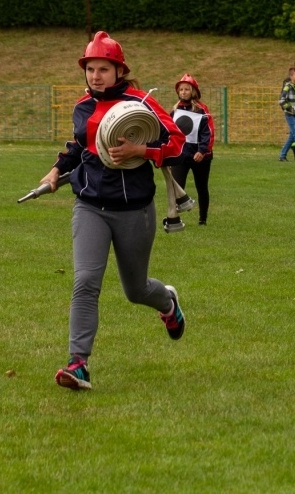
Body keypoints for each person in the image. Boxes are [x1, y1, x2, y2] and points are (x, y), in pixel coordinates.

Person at [38, 31, 188, 390]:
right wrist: (57, 170)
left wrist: (141, 151)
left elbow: (177, 144)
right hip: (89, 206)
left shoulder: (142, 103)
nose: (95, 75)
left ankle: (167, 303)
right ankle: (78, 365)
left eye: (103, 68)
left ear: (119, 71)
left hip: (135, 211)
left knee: (135, 290)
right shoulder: (82, 107)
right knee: (85, 282)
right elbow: (77, 147)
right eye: (90, 68)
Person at [171, 74, 214, 225]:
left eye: (186, 89)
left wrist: (202, 151)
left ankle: (203, 219)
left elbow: (208, 132)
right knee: (176, 187)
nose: (183, 92)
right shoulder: (175, 110)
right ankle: (174, 217)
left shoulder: (202, 110)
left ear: (193, 91)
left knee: (201, 187)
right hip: (181, 156)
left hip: (200, 157)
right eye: (181, 89)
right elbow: (170, 132)